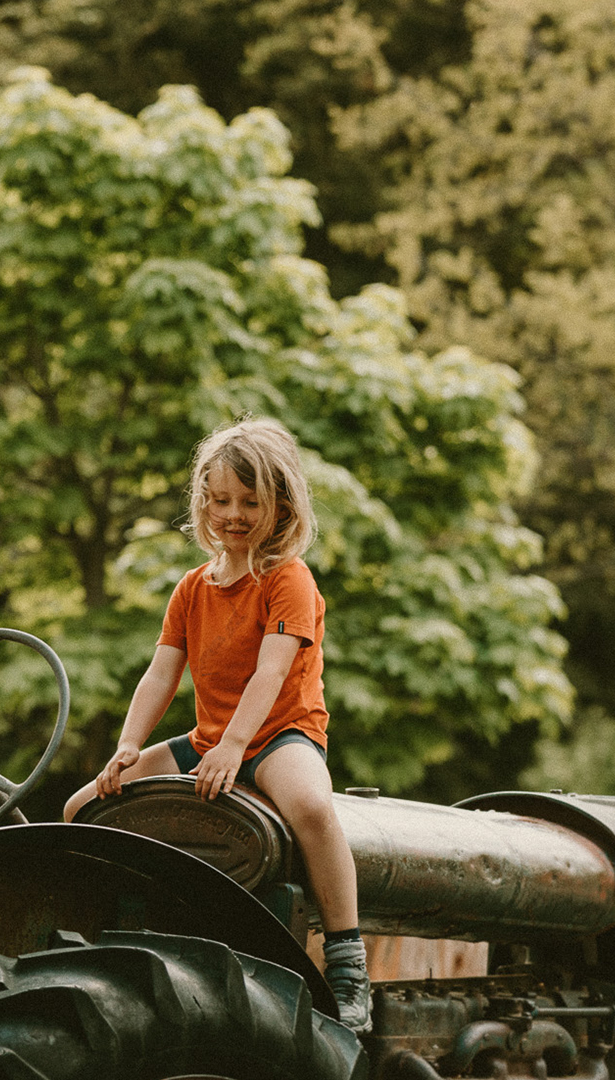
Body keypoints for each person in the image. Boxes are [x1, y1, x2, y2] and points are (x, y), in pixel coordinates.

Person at [61, 417, 372, 1032]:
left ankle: (346, 957)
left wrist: (235, 747)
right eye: (222, 500)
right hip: (209, 739)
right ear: (203, 503)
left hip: (279, 733)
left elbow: (271, 673)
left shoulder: (289, 579)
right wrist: (127, 746)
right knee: (82, 808)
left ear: (281, 505)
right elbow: (160, 673)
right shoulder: (192, 587)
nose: (234, 514)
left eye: (250, 502)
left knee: (311, 807)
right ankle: (101, 930)